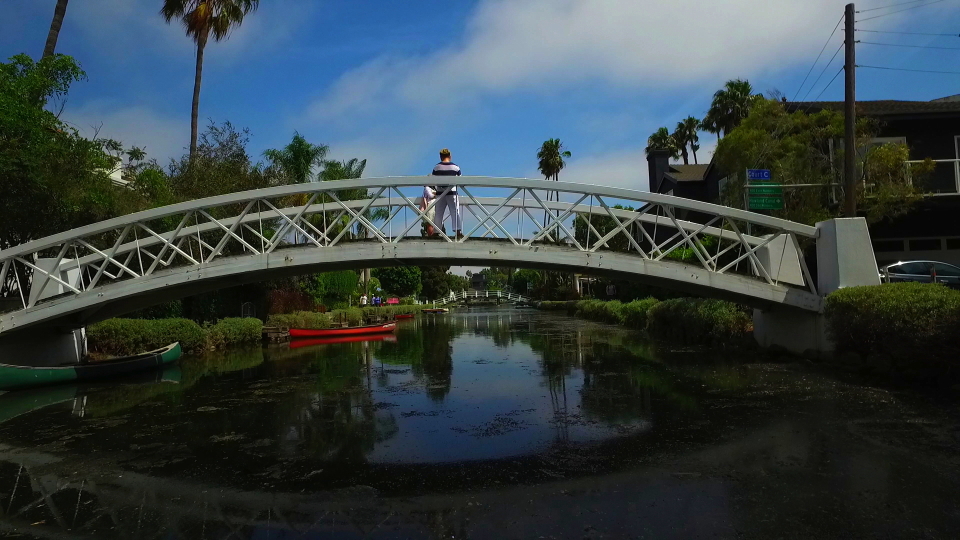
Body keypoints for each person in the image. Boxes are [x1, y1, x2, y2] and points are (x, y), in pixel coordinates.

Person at [431, 148, 463, 240]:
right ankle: (457, 231)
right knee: (455, 211)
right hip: (452, 192)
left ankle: (437, 231)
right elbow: (460, 180)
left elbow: (432, 180)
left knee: (439, 212)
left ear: (440, 157)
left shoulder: (436, 167)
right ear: (450, 156)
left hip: (440, 192)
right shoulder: (456, 167)